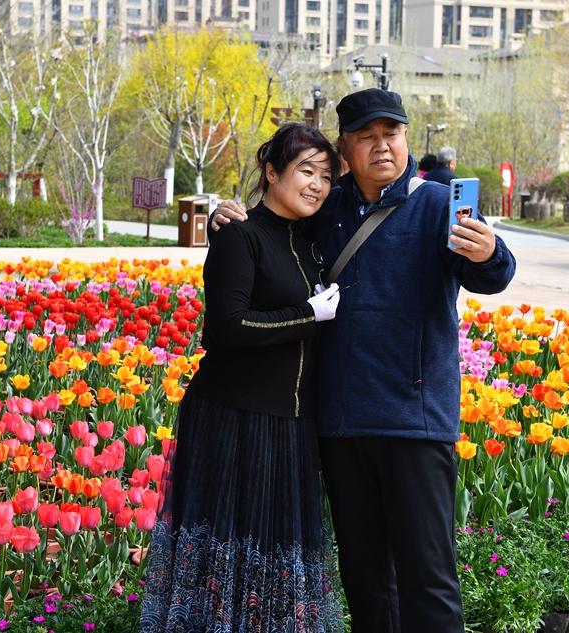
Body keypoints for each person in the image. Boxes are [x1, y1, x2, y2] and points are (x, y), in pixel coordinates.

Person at [213, 88, 516, 632]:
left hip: (413, 422)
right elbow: (271, 234)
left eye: (391, 134)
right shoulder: (326, 207)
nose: (381, 147)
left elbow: (490, 274)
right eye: (366, 137)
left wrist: (490, 253)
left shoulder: (437, 204)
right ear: (345, 150)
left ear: (406, 138)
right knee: (366, 579)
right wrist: (226, 216)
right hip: (342, 425)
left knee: (429, 579)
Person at [139, 123, 344, 633]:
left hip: (294, 423)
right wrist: (308, 314)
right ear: (271, 171)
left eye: (326, 176)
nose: (317, 185)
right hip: (236, 416)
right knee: (231, 544)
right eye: (306, 171)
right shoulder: (241, 236)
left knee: (279, 547)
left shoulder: (313, 242)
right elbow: (225, 328)